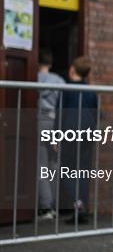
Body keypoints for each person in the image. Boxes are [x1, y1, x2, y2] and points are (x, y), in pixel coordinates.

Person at [56, 56, 98, 224]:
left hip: (70, 134)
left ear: (72, 70)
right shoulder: (91, 90)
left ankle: (78, 205)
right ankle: (82, 207)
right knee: (82, 172)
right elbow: (95, 113)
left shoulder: (67, 89)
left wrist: (55, 136)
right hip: (87, 134)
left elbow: (60, 113)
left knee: (67, 171)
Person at [37, 49, 65, 220]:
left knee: (41, 164)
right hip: (55, 122)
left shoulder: (34, 78)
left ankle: (45, 206)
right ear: (51, 63)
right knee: (54, 165)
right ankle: (53, 204)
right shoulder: (59, 81)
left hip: (40, 121)